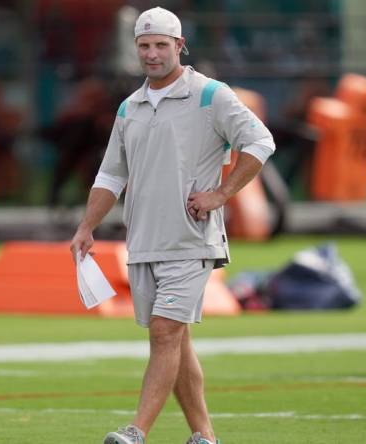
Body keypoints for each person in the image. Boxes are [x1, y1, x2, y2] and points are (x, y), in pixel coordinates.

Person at [69, 7, 275, 444]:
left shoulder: (210, 95)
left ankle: (135, 432)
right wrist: (87, 226)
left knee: (165, 332)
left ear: (179, 46)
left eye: (162, 44)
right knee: (175, 342)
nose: (152, 53)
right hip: (141, 242)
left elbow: (260, 141)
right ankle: (205, 436)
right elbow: (111, 175)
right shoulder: (129, 107)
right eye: (144, 45)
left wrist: (221, 195)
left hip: (191, 241)